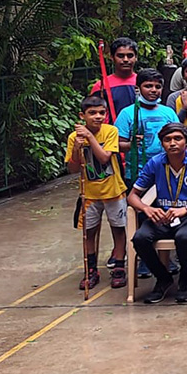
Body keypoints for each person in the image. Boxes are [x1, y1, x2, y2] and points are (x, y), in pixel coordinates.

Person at [127, 123, 187, 303]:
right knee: (140, 238)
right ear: (162, 144)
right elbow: (132, 196)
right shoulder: (155, 162)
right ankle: (163, 279)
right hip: (163, 217)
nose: (172, 143)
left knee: (184, 237)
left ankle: (185, 280)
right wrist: (147, 208)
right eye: (167, 140)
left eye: (177, 139)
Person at [66, 96, 129, 291]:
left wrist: (90, 138)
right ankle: (91, 269)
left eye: (101, 112)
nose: (98, 117)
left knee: (118, 229)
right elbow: (73, 168)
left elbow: (103, 158)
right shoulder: (73, 137)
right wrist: (77, 147)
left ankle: (119, 266)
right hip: (89, 194)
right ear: (82, 115)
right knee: (89, 232)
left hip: (113, 190)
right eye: (92, 113)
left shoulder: (111, 131)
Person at [115, 68, 180, 184]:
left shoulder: (169, 112)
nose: (153, 90)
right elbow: (116, 145)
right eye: (148, 86)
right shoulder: (127, 113)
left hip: (167, 171)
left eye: (158, 87)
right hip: (138, 173)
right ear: (137, 89)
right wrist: (131, 144)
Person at [90, 37, 138, 118]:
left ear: (136, 57)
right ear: (112, 57)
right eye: (120, 56)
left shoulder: (144, 83)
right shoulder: (101, 86)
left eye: (130, 56)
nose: (125, 60)